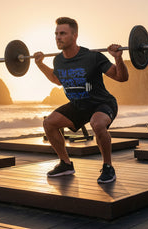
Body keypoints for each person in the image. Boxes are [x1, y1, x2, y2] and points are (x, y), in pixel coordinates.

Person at [33, 17, 129, 184]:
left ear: (74, 36)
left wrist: (118, 58)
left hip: (102, 103)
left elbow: (121, 77)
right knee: (49, 123)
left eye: (62, 33)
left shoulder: (93, 57)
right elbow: (57, 80)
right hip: (79, 106)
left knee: (97, 124)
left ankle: (108, 167)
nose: (58, 37)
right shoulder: (59, 60)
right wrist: (40, 64)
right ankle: (66, 164)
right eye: (56, 34)